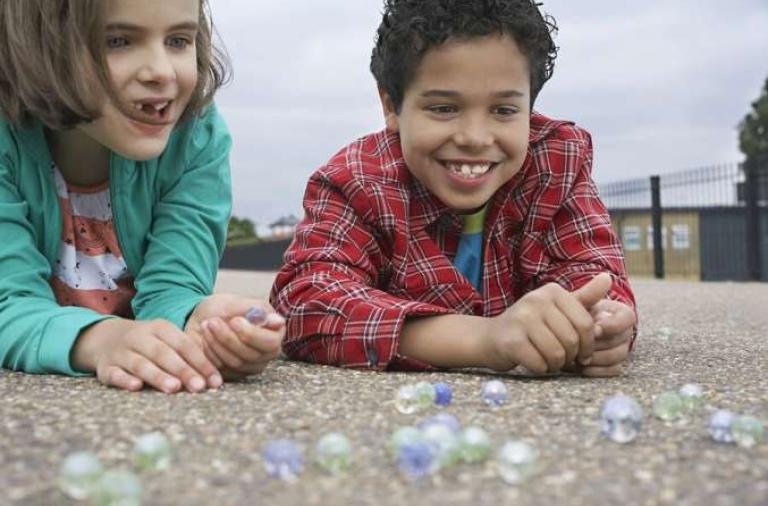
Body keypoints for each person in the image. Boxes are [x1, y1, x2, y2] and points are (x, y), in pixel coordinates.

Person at [271, 0, 637, 377]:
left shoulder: (558, 163)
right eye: (444, 108)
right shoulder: (356, 182)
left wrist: (597, 322)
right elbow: (307, 303)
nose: (475, 138)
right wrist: (483, 340)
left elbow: (592, 273)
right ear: (391, 106)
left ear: (530, 106)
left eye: (504, 110)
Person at [0, 0, 284, 393]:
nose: (162, 72)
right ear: (37, 46)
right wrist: (102, 341)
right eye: (118, 40)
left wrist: (201, 320)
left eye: (179, 40)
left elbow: (174, 287)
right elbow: (7, 301)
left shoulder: (196, 138)